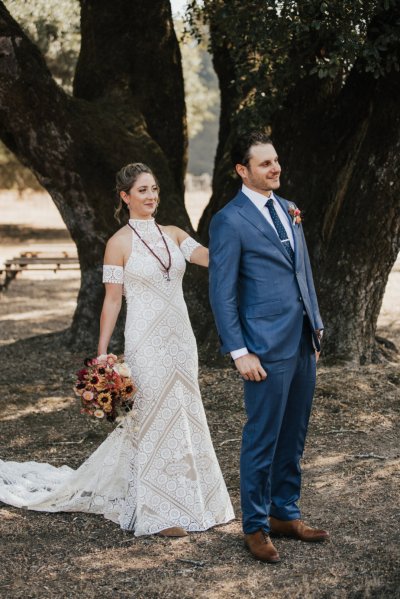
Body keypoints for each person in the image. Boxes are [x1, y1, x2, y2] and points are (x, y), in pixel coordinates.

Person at [0, 162, 234, 537]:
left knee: (186, 414)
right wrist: (103, 351)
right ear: (125, 197)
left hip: (181, 341)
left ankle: (199, 499)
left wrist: (247, 231)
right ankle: (159, 511)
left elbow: (215, 259)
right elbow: (112, 301)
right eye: (142, 190)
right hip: (145, 342)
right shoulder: (117, 243)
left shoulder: (175, 235)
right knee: (153, 419)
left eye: (154, 189)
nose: (151, 196)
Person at [208, 131, 329, 563]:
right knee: (262, 438)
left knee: (294, 435)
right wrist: (239, 351)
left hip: (300, 341)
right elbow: (222, 293)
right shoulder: (229, 219)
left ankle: (285, 512)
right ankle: (256, 527)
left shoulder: (289, 208)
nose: (274, 168)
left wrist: (315, 326)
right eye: (264, 163)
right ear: (243, 170)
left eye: (275, 161)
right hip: (262, 348)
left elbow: (304, 272)